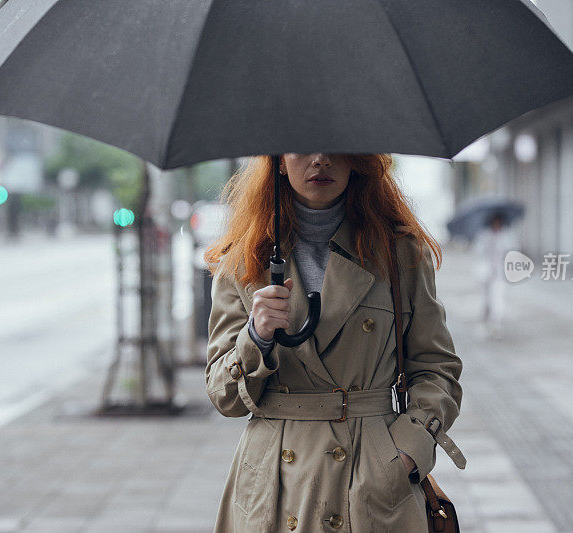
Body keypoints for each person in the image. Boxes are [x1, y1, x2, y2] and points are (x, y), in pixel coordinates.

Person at [204, 153, 466, 532]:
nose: (321, 159)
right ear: (278, 161)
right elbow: (223, 397)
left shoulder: (399, 252)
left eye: (335, 146)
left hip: (372, 477)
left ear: (357, 160)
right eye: (302, 146)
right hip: (275, 482)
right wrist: (256, 337)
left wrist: (404, 453)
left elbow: (437, 368)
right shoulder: (243, 260)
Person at [473, 211, 516, 338]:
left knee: (498, 298)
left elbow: (512, 251)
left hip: (500, 273)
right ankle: (485, 320)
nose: (497, 225)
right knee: (486, 299)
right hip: (486, 272)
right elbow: (478, 251)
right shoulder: (484, 235)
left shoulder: (506, 236)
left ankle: (496, 324)